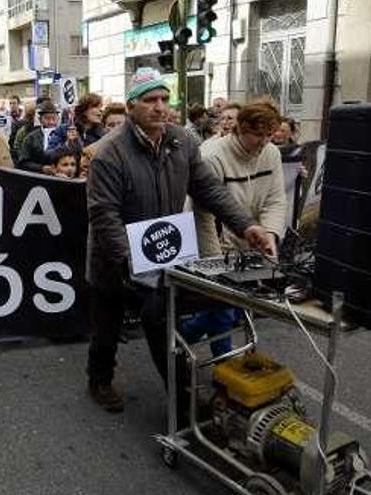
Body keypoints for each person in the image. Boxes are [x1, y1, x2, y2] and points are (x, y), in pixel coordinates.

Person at [85, 67, 275, 415]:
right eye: (149, 100)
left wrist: (247, 225)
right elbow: (104, 216)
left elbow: (209, 190)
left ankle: (183, 396)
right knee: (106, 330)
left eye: (163, 99)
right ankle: (99, 380)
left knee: (159, 317)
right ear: (130, 107)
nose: (159, 107)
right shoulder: (109, 153)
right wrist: (130, 260)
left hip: (164, 254)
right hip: (115, 260)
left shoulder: (183, 141)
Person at [185, 102, 287, 357]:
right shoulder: (211, 156)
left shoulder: (272, 153)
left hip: (249, 237)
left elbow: (275, 199)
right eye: (257, 135)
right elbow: (203, 214)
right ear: (239, 129)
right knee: (223, 305)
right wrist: (213, 262)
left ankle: (180, 340)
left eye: (268, 135)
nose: (264, 142)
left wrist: (271, 235)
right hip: (215, 238)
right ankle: (224, 363)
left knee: (230, 307)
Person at [78, 102, 127, 179]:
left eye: (120, 124)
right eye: (111, 125)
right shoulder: (91, 153)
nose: (116, 129)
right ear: (104, 128)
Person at [17, 100, 61, 173]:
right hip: (37, 177)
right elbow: (23, 163)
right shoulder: (31, 138)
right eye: (47, 118)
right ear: (40, 120)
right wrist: (41, 168)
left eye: (54, 118)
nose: (51, 122)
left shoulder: (62, 136)